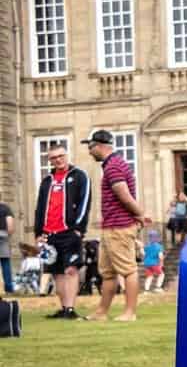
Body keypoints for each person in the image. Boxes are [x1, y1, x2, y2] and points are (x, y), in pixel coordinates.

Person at [82, 130, 150, 322]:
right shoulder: (113, 164)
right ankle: (101, 312)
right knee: (108, 273)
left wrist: (141, 215)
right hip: (110, 227)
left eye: (90, 147)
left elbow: (124, 196)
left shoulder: (113, 166)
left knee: (128, 270)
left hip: (119, 227)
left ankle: (130, 313)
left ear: (99, 146)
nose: (89, 151)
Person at [31, 143, 90, 320]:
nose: (58, 160)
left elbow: (85, 202)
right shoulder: (47, 180)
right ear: (49, 160)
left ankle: (71, 309)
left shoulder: (80, 176)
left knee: (71, 269)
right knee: (56, 272)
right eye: (54, 157)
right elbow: (40, 207)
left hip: (69, 231)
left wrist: (79, 229)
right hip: (49, 234)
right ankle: (64, 308)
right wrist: (38, 232)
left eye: (61, 156)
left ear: (66, 155)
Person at [0, 195, 14, 294]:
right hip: (3, 235)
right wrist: (8, 234)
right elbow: (10, 225)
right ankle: (9, 289)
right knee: (5, 262)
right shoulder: (6, 208)